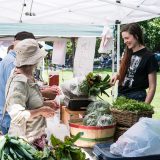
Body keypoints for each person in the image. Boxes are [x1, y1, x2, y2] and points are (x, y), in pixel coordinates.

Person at [4, 39, 56, 145]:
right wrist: (41, 110)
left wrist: (44, 103)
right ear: (33, 61)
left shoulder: (28, 76)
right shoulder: (19, 82)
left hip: (35, 138)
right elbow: (17, 115)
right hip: (25, 141)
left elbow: (27, 103)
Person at [110, 23, 159, 103]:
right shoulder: (126, 53)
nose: (125, 41)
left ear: (136, 36)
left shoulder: (149, 57)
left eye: (127, 38)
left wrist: (145, 107)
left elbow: (152, 87)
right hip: (121, 97)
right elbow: (129, 74)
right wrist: (117, 76)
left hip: (137, 99)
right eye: (123, 39)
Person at [0, 31, 36, 134]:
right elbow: (17, 96)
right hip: (10, 119)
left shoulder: (8, 60)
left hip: (6, 116)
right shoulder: (14, 63)